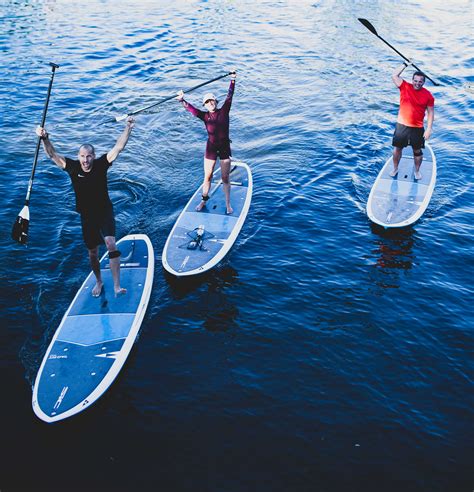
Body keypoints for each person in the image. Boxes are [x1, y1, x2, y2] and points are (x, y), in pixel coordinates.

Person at [35, 117, 135, 297]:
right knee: (92, 253)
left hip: (104, 211)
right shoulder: (72, 167)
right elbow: (52, 155)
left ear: (93, 156)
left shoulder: (101, 165)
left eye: (89, 156)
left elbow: (118, 148)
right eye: (82, 156)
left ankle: (117, 286)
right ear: (78, 156)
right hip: (87, 216)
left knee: (111, 244)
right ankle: (98, 281)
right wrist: (45, 138)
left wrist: (128, 128)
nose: (85, 160)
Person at [176, 70, 237, 214]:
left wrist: (233, 79)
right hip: (210, 148)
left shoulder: (224, 111)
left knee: (225, 177)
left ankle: (228, 204)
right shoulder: (204, 116)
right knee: (207, 176)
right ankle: (204, 200)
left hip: (224, 148)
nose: (210, 103)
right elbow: (191, 109)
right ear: (205, 105)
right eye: (207, 102)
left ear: (216, 101)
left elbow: (230, 95)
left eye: (212, 101)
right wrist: (182, 100)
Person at [391, 60, 435, 180]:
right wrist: (405, 64)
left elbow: (431, 113)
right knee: (397, 149)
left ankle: (416, 171)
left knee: (417, 152)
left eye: (420, 82)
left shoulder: (428, 95)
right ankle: (395, 168)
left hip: (417, 128)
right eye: (415, 81)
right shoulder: (404, 86)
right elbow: (394, 75)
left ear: (423, 82)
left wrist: (429, 129)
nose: (417, 83)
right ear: (412, 80)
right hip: (402, 126)